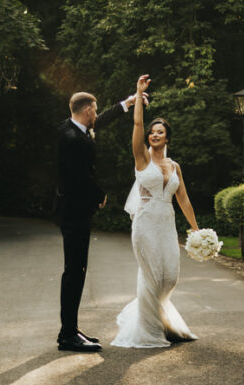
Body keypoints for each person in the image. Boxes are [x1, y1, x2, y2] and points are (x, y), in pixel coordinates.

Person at [54, 79, 146, 352]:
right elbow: (77, 177)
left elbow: (102, 121)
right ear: (87, 112)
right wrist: (100, 194)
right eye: (95, 110)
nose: (97, 114)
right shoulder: (73, 140)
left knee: (76, 271)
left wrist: (129, 102)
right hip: (74, 213)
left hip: (72, 211)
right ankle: (67, 335)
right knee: (74, 272)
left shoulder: (71, 127)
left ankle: (70, 329)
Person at [112, 76, 200, 348]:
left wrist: (197, 230)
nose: (154, 134)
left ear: (168, 137)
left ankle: (155, 317)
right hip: (145, 223)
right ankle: (148, 331)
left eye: (160, 131)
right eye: (152, 132)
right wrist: (139, 95)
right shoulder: (142, 158)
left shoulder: (174, 167)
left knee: (170, 277)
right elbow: (138, 123)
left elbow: (183, 199)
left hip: (167, 224)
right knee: (152, 276)